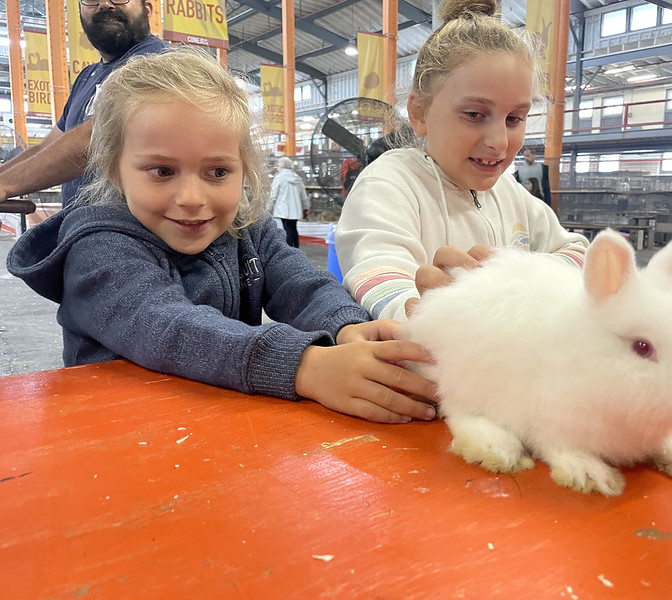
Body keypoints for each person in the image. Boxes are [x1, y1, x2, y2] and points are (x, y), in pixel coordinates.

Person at [6, 49, 437, 425]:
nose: (193, 198)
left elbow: (303, 287)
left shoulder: (247, 229)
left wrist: (345, 327)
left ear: (243, 167)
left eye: (217, 172)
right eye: (162, 171)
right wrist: (305, 365)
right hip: (121, 443)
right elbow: (170, 327)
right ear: (114, 167)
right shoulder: (98, 249)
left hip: (221, 428)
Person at [334, 0, 589, 321]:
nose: (498, 142)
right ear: (419, 112)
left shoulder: (511, 194)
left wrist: (521, 277)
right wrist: (435, 313)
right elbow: (377, 276)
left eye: (514, 119)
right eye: (474, 114)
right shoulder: (388, 184)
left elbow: (578, 252)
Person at [0, 0, 168, 208]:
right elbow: (48, 147)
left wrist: (6, 184)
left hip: (126, 232)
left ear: (147, 10)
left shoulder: (158, 62)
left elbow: (99, 138)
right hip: (79, 228)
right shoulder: (87, 77)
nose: (105, 4)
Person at [270, 156, 309, 248]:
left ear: (282, 166)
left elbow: (273, 195)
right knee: (293, 228)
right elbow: (304, 195)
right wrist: (305, 207)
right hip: (295, 209)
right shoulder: (297, 178)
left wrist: (269, 208)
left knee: (287, 229)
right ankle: (296, 247)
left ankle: (289, 250)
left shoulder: (279, 178)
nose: (278, 167)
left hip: (283, 208)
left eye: (278, 165)